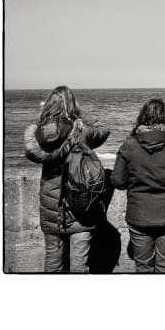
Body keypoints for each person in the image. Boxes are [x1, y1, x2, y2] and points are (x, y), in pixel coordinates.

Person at [24, 85, 110, 273]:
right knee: (80, 266)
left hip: (51, 209)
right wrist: (80, 112)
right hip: (81, 207)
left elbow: (30, 154)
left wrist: (42, 120)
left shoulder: (39, 135)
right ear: (71, 106)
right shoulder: (80, 132)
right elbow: (103, 130)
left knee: (53, 264)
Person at [111, 99, 165, 273]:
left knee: (143, 267)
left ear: (142, 118)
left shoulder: (129, 145)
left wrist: (135, 182)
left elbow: (118, 181)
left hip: (139, 215)